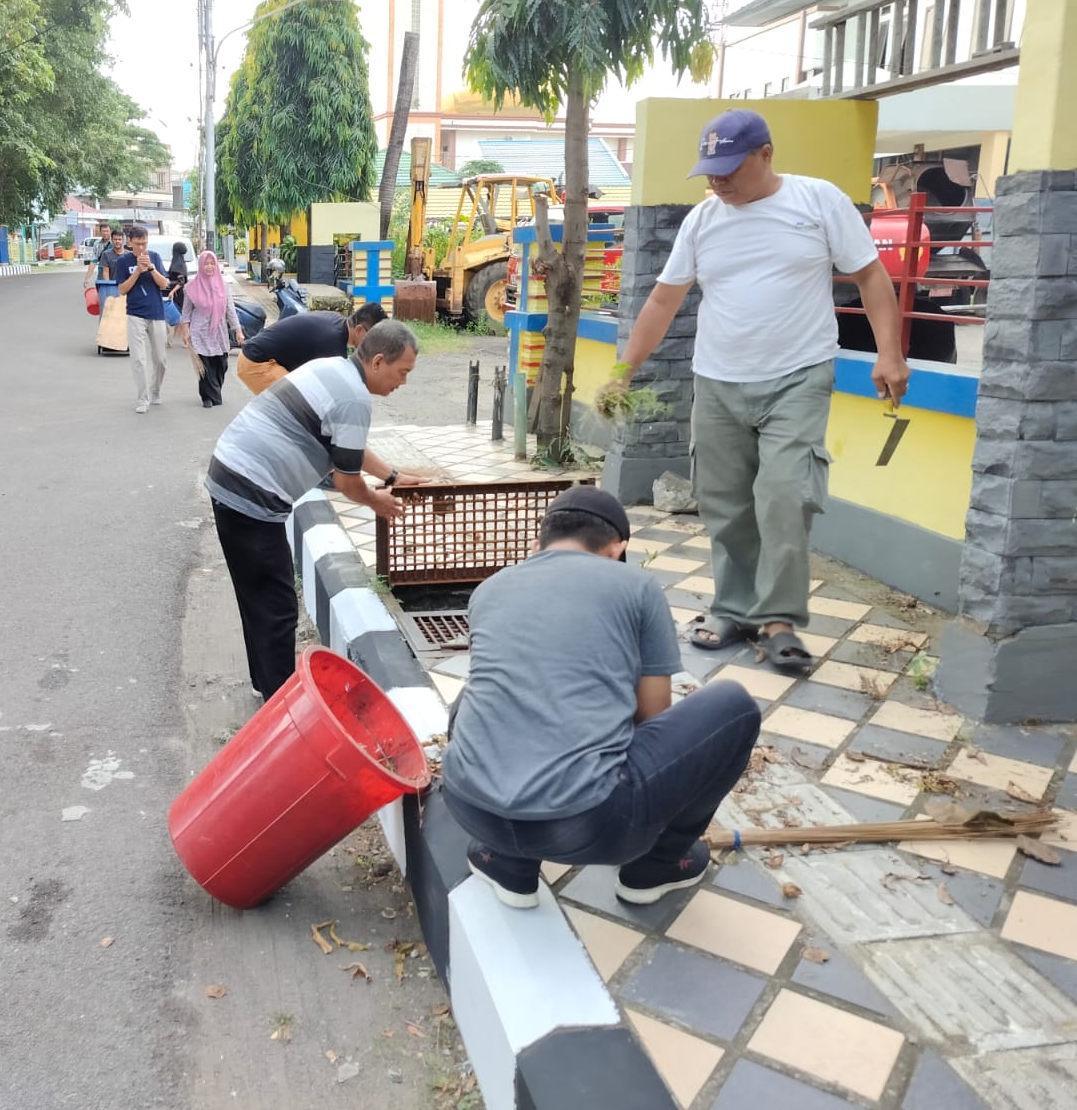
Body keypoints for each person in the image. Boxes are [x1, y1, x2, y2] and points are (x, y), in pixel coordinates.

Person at [603, 109, 911, 674]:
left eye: (729, 168)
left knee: (785, 496)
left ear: (765, 154)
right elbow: (663, 300)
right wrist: (625, 369)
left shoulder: (817, 202)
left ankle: (779, 621)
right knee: (725, 503)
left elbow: (869, 275)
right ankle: (733, 610)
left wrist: (890, 353)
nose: (717, 181)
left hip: (798, 375)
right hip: (718, 378)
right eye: (710, 171)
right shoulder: (703, 220)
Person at [441, 486, 760, 909]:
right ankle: (656, 866)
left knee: (486, 687)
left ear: (538, 544)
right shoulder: (637, 585)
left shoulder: (491, 588)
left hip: (468, 805)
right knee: (733, 705)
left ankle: (504, 861)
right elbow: (653, 717)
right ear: (617, 548)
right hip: (588, 827)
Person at [206, 321, 428, 702]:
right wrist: (379, 502)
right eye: (402, 372)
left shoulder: (333, 369)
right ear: (378, 361)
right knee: (277, 608)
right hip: (249, 493)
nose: (403, 382)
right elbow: (347, 481)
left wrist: (393, 475)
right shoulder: (354, 399)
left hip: (232, 478)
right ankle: (283, 709)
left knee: (258, 597)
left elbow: (348, 450)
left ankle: (266, 685)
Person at [236, 303, 388, 396]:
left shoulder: (336, 321)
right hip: (257, 362)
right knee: (294, 408)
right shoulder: (332, 344)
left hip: (263, 356)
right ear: (360, 329)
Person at [113, 224, 173, 413]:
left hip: (156, 313)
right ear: (129, 242)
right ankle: (142, 398)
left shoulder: (154, 257)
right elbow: (122, 290)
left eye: (144, 243)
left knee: (161, 359)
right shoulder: (123, 262)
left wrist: (151, 268)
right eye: (138, 243)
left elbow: (165, 284)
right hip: (135, 314)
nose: (141, 247)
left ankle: (156, 390)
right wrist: (138, 271)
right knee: (139, 359)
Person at [182, 250, 244, 407]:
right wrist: (186, 331)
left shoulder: (223, 286)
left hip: (219, 331)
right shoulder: (191, 287)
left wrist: (238, 330)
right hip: (200, 332)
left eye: (212, 263)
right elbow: (186, 312)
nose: (209, 267)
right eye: (206, 263)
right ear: (201, 266)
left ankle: (215, 391)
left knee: (221, 364)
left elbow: (230, 310)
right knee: (205, 365)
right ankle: (208, 397)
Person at [164, 240, 190, 346]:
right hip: (179, 294)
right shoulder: (181, 262)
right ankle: (172, 339)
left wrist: (172, 291)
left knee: (181, 317)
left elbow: (181, 281)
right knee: (180, 317)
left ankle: (185, 339)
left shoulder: (177, 264)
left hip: (178, 295)